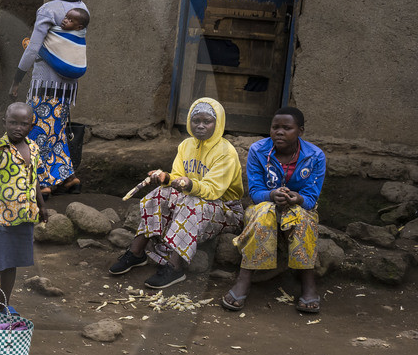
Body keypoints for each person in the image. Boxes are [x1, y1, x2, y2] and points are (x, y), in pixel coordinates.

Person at [110, 97, 244, 290]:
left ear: (218, 123)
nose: (200, 126)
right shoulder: (186, 145)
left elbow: (212, 191)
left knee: (192, 204)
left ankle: (174, 267)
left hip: (226, 211)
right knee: (159, 194)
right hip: (191, 198)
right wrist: (165, 178)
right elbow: (178, 178)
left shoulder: (226, 152)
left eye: (207, 121)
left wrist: (188, 184)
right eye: (196, 120)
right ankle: (136, 252)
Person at [223, 106, 327, 314]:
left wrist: (297, 198)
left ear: (300, 131)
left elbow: (311, 197)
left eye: (287, 128)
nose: (279, 132)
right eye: (275, 127)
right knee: (263, 213)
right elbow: (255, 191)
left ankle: (308, 282)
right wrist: (271, 195)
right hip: (264, 206)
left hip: (298, 208)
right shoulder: (258, 151)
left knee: (303, 219)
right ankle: (244, 279)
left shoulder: (315, 156)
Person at [13, 0, 88, 194]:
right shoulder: (81, 7)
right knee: (56, 130)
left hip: (46, 84)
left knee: (36, 131)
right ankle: (68, 177)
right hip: (67, 86)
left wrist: (17, 79)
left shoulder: (48, 9)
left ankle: (43, 183)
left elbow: (34, 47)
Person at [0, 102, 45, 306]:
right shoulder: (0, 146)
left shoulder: (33, 148)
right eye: (13, 123)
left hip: (25, 217)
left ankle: (3, 306)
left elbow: (34, 179)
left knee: (12, 264)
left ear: (31, 125)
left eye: (23, 123)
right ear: (4, 123)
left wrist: (42, 206)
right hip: (0, 218)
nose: (18, 127)